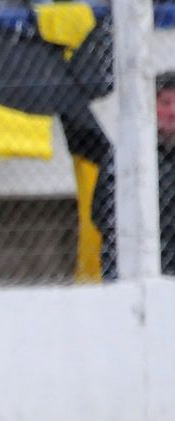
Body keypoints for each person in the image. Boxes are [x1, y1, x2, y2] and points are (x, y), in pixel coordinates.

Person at [91, 70, 175, 279]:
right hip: (132, 262)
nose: (173, 111)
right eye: (165, 103)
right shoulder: (127, 153)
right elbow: (101, 212)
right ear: (151, 107)